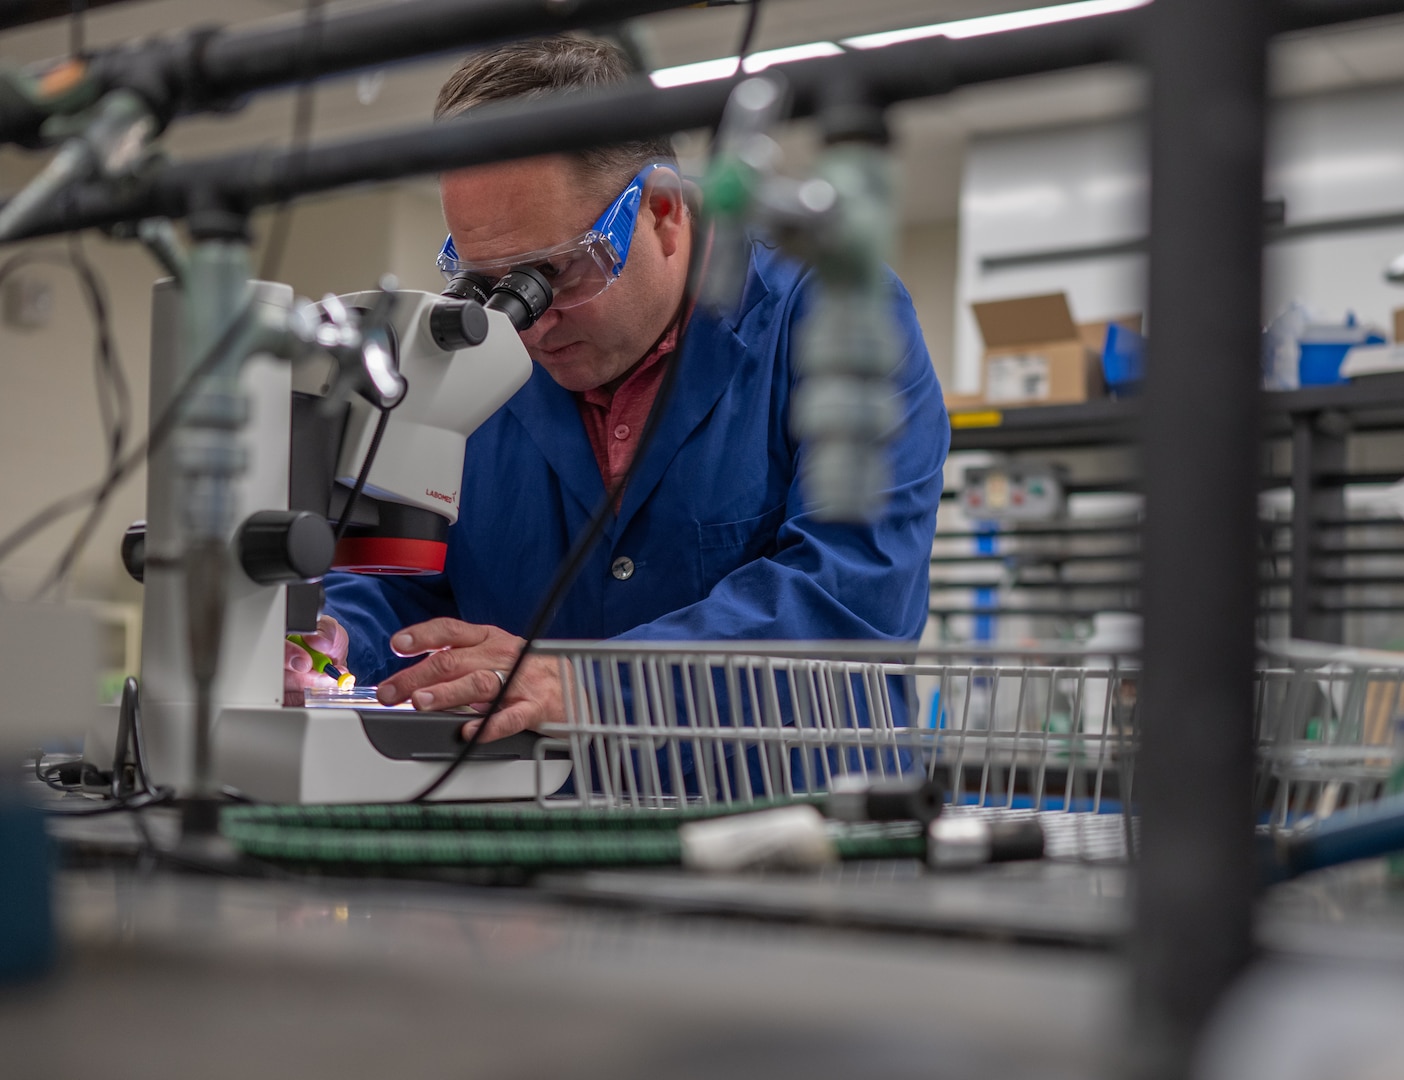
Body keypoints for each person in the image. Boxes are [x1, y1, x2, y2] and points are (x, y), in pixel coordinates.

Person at [285, 36, 949, 745]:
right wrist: (334, 637)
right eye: (485, 284)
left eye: (556, 272)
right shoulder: (473, 363)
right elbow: (405, 583)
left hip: (786, 825)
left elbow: (850, 597)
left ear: (662, 212)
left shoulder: (831, 317)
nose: (530, 327)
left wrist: (590, 687)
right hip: (536, 816)